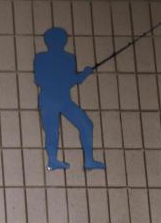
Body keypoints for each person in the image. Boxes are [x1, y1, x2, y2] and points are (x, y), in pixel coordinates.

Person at [33, 26, 106, 171]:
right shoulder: (41, 57)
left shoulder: (68, 58)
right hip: (49, 99)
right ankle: (53, 160)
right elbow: (40, 79)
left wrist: (83, 75)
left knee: (86, 124)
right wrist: (76, 77)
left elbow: (71, 79)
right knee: (52, 130)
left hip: (62, 99)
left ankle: (89, 160)